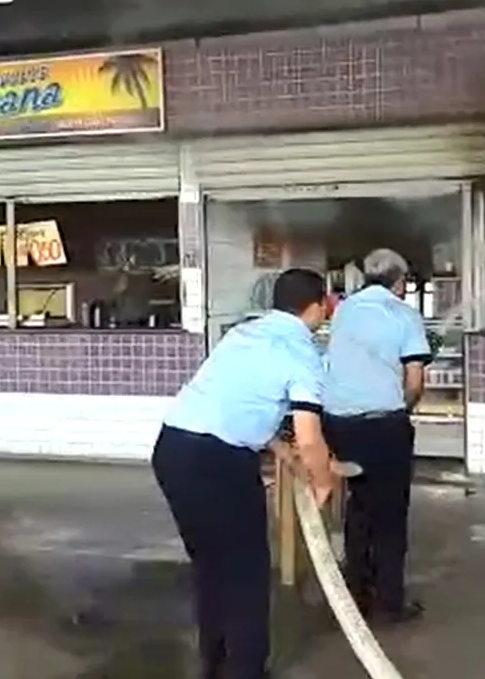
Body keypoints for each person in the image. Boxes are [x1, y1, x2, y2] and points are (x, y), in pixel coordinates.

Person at [151, 268, 337, 679]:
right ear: (319, 306)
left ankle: (214, 664)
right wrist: (324, 481)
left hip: (172, 449)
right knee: (247, 571)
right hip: (218, 462)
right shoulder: (304, 352)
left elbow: (238, 399)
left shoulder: (243, 334)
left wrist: (277, 448)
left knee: (211, 564)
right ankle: (246, 670)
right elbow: (310, 436)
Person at [322, 248, 431, 625]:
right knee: (390, 515)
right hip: (383, 424)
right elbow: (414, 381)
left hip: (337, 423)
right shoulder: (404, 314)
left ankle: (356, 594)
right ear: (400, 283)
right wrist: (401, 410)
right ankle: (389, 602)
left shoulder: (344, 309)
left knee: (360, 505)